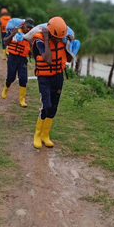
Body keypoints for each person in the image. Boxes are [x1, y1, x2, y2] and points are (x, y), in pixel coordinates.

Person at [31, 16, 73, 149]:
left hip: (58, 77)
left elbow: (69, 59)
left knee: (54, 107)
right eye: (56, 37)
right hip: (44, 78)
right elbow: (48, 60)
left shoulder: (62, 40)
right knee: (46, 105)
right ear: (49, 32)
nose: (58, 40)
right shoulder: (40, 41)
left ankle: (45, 135)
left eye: (60, 38)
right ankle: (37, 135)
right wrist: (47, 39)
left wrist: (69, 44)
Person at [1, 18, 35, 107]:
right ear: (23, 25)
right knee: (11, 78)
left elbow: (32, 51)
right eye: (27, 27)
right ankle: (6, 88)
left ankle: (22, 99)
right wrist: (13, 34)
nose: (29, 29)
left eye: (31, 27)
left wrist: (32, 45)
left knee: (23, 79)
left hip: (23, 59)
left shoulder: (30, 35)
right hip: (12, 57)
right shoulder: (15, 30)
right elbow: (5, 42)